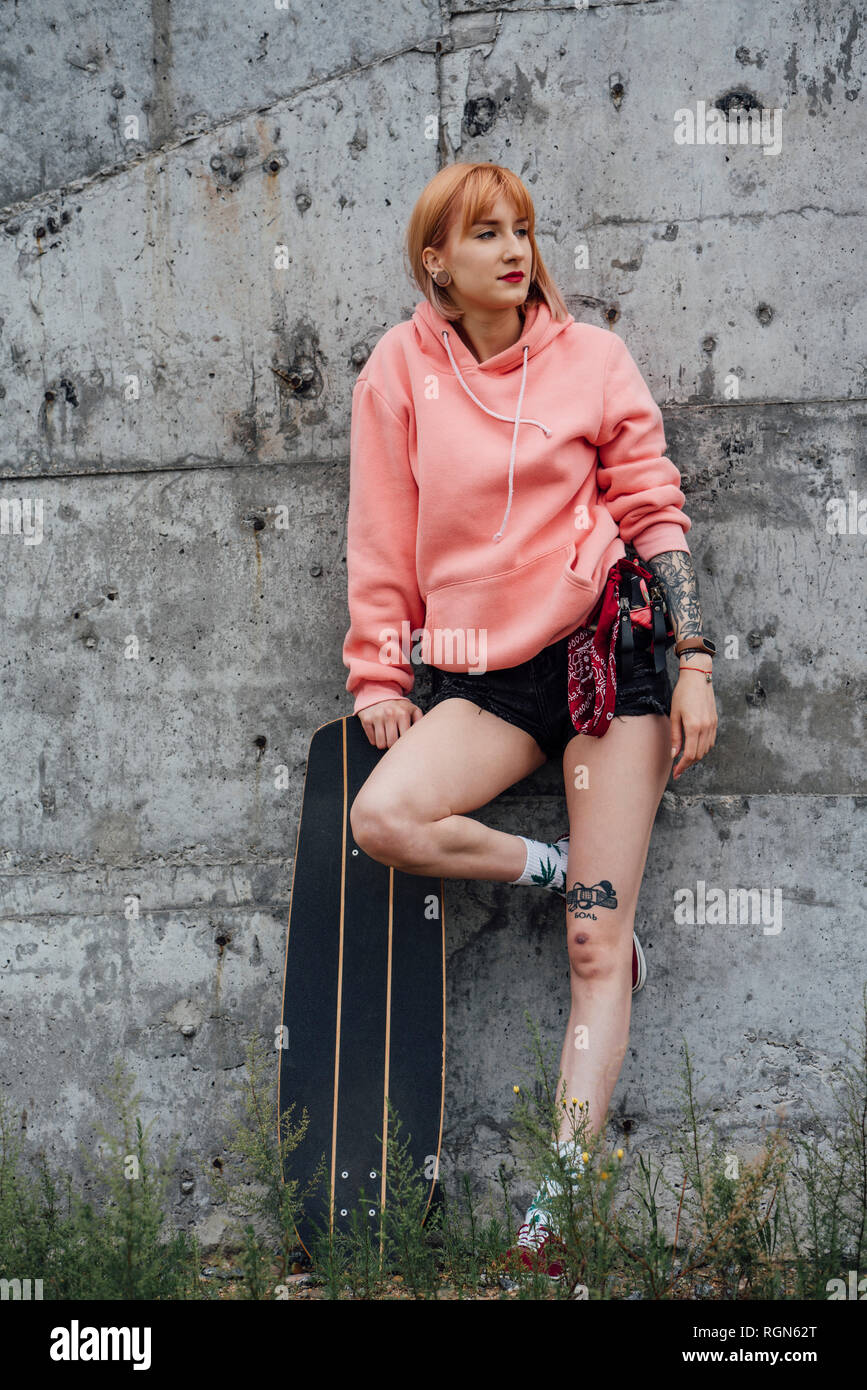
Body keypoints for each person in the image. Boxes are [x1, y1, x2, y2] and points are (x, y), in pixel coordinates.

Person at [341, 161, 717, 1269]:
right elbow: (379, 535)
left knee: (597, 946)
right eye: (485, 234)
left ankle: (551, 1217)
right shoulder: (398, 373)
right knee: (388, 817)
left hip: (612, 657)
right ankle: (552, 865)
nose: (514, 250)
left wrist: (693, 658)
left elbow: (654, 511)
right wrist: (378, 677)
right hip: (491, 677)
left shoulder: (592, 360)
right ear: (435, 263)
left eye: (523, 230)